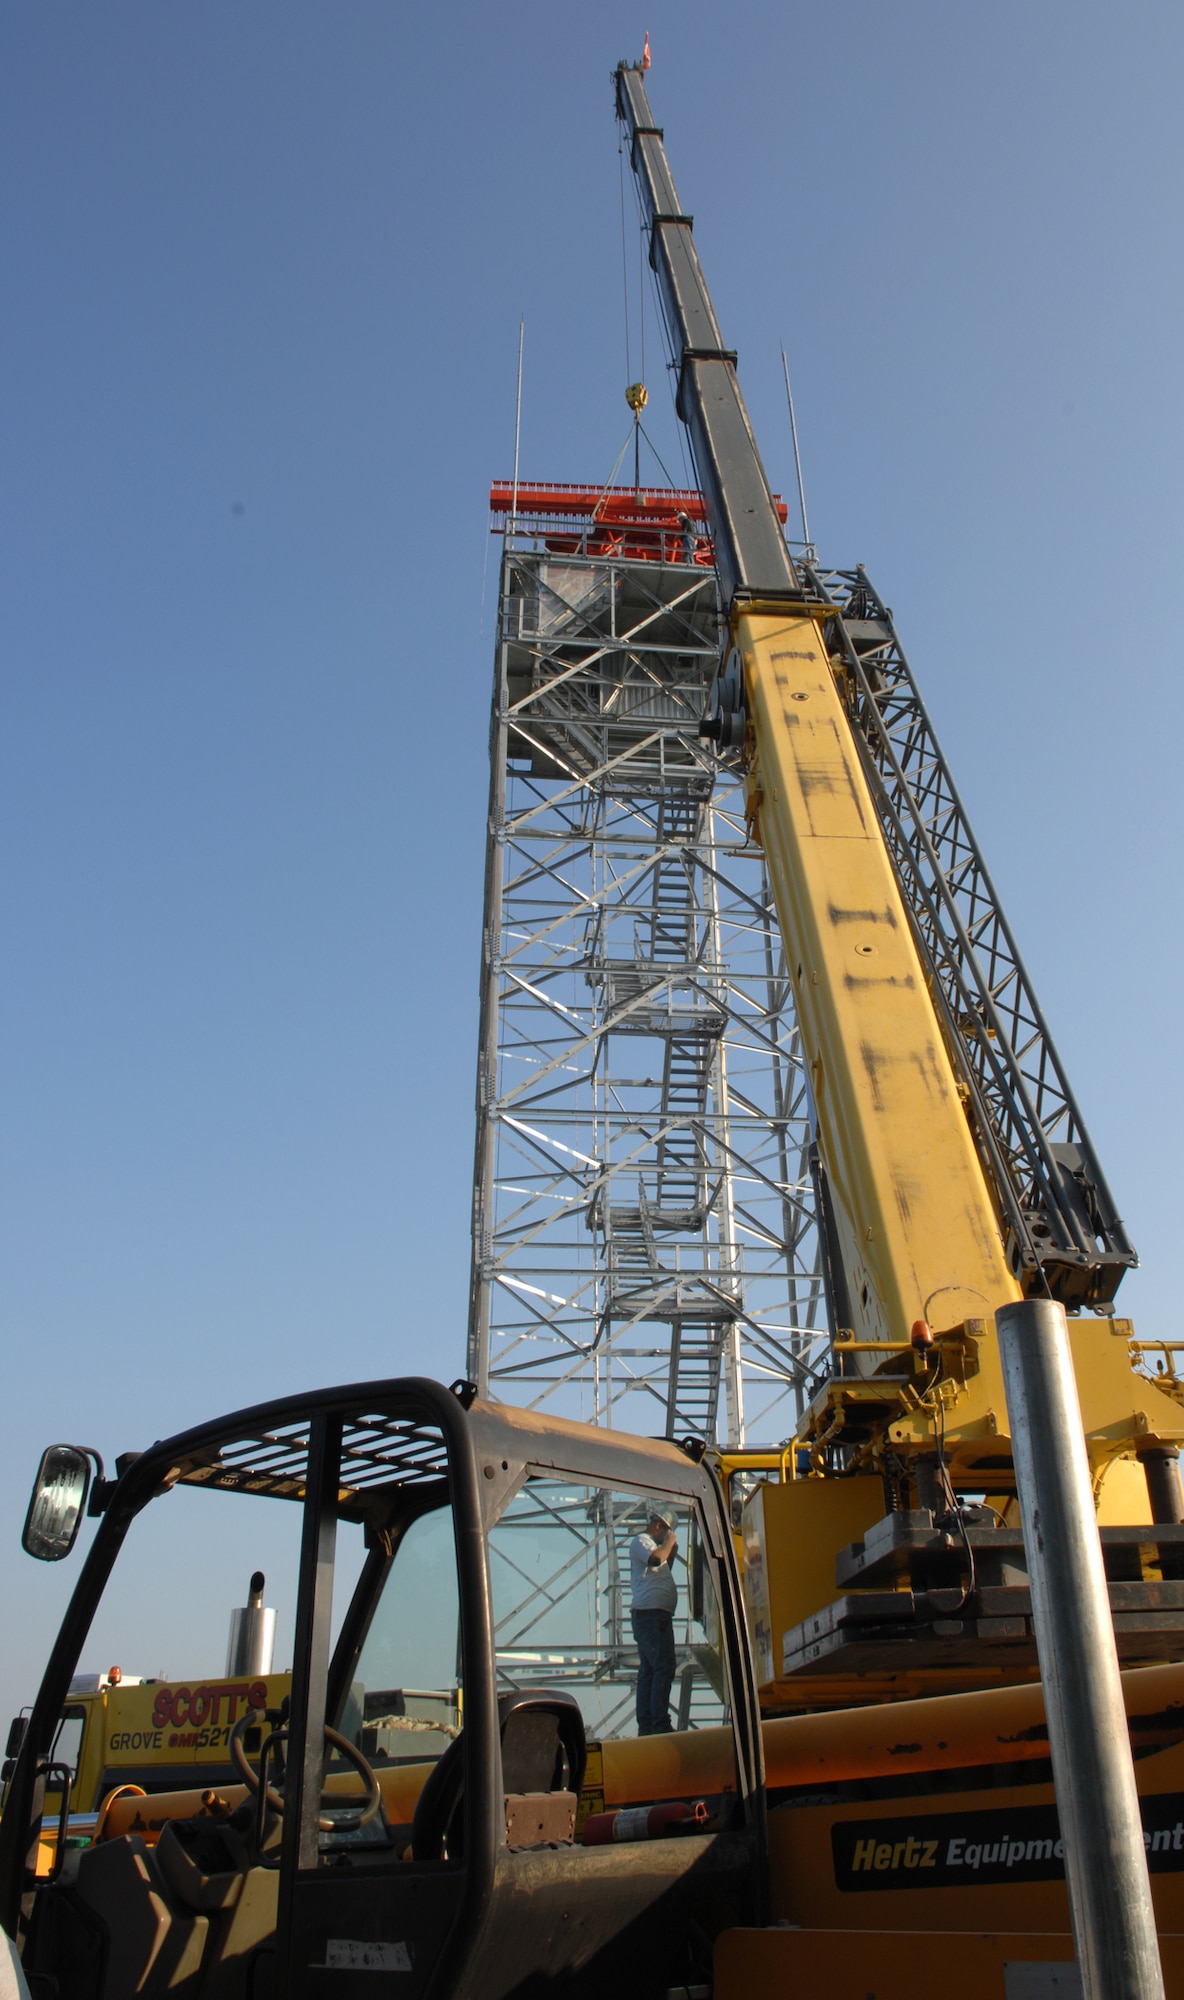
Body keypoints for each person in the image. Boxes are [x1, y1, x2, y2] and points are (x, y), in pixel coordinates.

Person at [630, 1510, 678, 1735]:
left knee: (650, 1670)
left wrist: (671, 1550)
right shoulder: (642, 1541)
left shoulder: (653, 1546)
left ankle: (648, 1724)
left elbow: (662, 1566)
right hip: (651, 1616)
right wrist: (668, 1544)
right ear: (660, 1526)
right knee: (662, 1668)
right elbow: (657, 1559)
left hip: (653, 1616)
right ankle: (658, 1723)